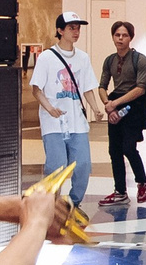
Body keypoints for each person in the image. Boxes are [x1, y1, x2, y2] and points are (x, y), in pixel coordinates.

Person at [32, 14, 102, 207]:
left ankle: (73, 203)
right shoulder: (46, 57)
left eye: (78, 28)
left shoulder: (83, 58)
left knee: (83, 164)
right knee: (56, 166)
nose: (76, 32)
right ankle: (51, 204)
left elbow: (87, 87)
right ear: (60, 31)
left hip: (77, 121)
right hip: (53, 123)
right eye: (71, 28)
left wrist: (96, 109)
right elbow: (36, 89)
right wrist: (49, 108)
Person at [97, 20, 146, 206]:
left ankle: (142, 182)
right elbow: (102, 86)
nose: (120, 38)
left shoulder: (140, 59)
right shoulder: (109, 60)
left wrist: (115, 103)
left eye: (124, 35)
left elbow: (140, 88)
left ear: (131, 37)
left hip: (134, 107)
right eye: (117, 35)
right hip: (115, 103)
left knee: (128, 147)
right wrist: (108, 104)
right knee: (114, 150)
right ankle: (120, 191)